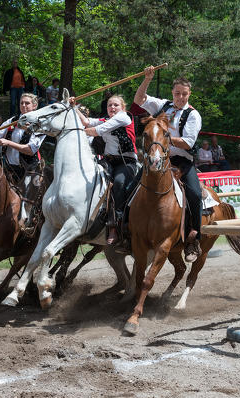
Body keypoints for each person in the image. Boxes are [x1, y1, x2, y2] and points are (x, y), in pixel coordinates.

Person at [134, 66, 203, 262]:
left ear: (189, 94)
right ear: (172, 93)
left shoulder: (193, 115)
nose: (180, 97)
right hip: (158, 159)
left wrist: (163, 139)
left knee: (195, 194)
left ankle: (193, 239)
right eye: (177, 93)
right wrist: (147, 79)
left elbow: (188, 142)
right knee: (133, 186)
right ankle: (125, 228)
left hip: (181, 162)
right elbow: (139, 100)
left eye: (184, 94)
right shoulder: (163, 105)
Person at [71, 94, 138, 245]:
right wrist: (73, 107)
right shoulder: (107, 119)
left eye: (116, 105)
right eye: (109, 105)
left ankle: (115, 225)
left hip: (126, 162)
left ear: (122, 107)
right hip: (108, 161)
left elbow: (97, 130)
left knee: (119, 183)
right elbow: (87, 122)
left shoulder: (124, 117)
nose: (112, 108)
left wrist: (77, 130)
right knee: (91, 180)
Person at [0, 93, 45, 183]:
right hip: (10, 168)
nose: (23, 105)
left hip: (30, 170)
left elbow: (30, 150)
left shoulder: (39, 124)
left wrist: (8, 143)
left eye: (27, 103)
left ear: (34, 105)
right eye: (21, 103)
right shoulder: (12, 120)